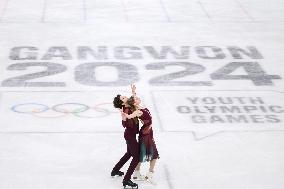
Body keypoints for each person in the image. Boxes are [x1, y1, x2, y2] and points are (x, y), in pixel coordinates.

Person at [121, 87, 160, 184]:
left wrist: (133, 92)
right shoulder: (137, 111)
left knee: (142, 154)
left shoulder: (139, 107)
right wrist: (126, 116)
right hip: (146, 134)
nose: (138, 98)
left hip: (148, 132)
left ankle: (137, 173)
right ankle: (149, 175)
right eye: (136, 98)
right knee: (154, 155)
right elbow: (131, 115)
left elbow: (133, 100)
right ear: (134, 103)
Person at [111, 85, 139, 189]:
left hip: (130, 135)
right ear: (122, 103)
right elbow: (125, 125)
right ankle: (126, 180)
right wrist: (124, 119)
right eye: (123, 98)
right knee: (136, 157)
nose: (125, 97)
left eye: (124, 96)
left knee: (129, 154)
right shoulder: (126, 110)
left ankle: (115, 170)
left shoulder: (127, 106)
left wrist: (133, 92)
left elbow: (134, 101)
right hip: (130, 136)